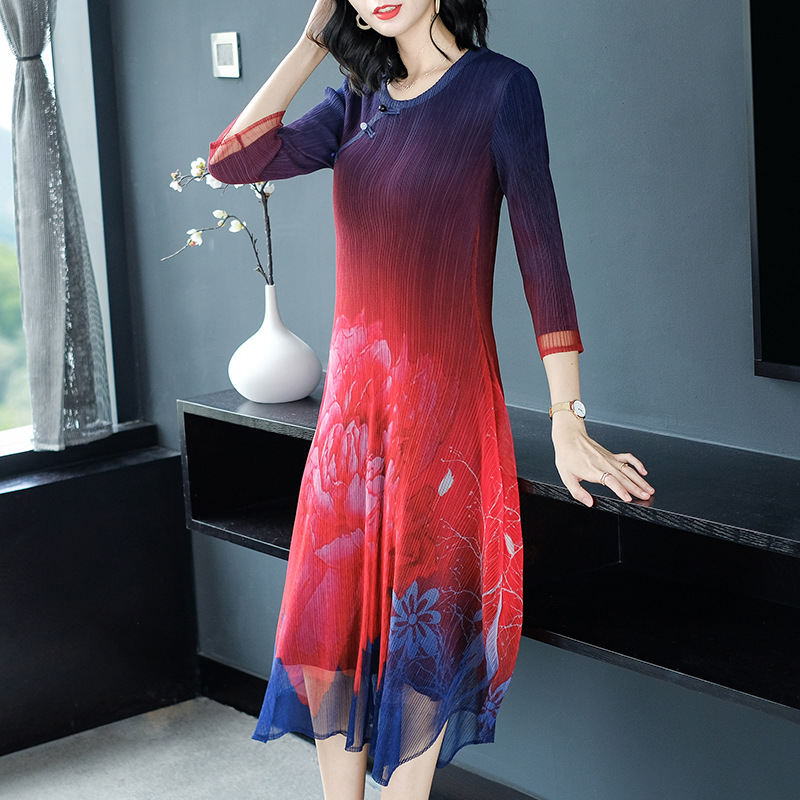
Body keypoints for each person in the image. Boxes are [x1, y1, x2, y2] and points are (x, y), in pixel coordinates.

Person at [208, 2, 655, 798]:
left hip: (442, 414)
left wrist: (568, 420)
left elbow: (543, 257)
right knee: (332, 630)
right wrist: (312, 41)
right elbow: (232, 162)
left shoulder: (500, 90)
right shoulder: (355, 100)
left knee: (426, 635)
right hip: (352, 421)